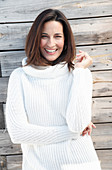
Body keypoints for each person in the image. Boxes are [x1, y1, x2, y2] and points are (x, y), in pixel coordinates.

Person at [6, 9, 101, 170]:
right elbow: (18, 133)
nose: (51, 44)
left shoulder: (79, 74)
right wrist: (70, 133)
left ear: (66, 40)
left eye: (58, 36)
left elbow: (77, 125)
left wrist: (79, 71)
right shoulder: (20, 77)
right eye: (44, 36)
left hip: (80, 164)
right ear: (35, 39)